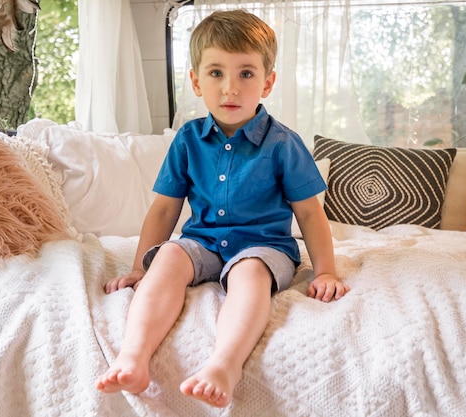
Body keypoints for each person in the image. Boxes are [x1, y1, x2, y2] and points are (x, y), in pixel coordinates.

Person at [95, 9, 350, 408]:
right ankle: (134, 354)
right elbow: (164, 210)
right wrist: (138, 268)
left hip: (263, 246)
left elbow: (310, 213)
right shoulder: (188, 139)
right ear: (196, 81)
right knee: (167, 260)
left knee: (249, 274)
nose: (230, 88)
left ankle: (224, 365)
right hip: (202, 242)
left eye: (246, 73)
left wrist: (327, 271)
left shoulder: (283, 143)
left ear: (267, 82)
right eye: (216, 73)